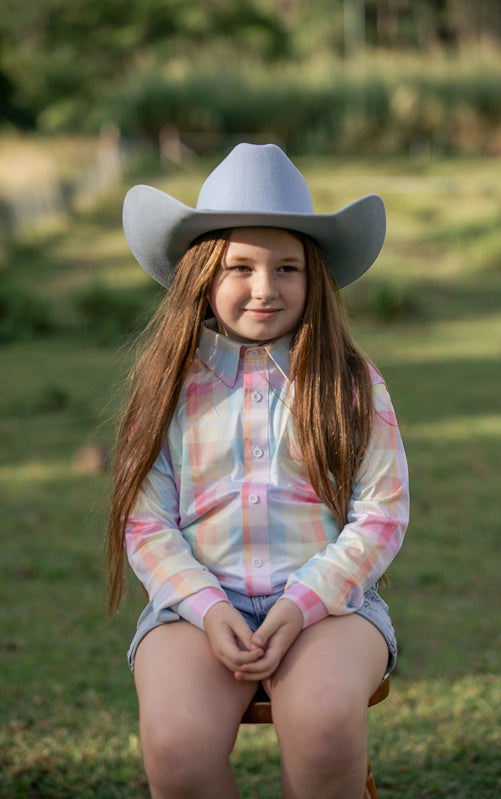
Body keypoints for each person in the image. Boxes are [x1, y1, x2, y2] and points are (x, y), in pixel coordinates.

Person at [106, 142, 409, 799]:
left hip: (328, 606)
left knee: (326, 722)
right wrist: (206, 606)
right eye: (239, 265)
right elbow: (145, 522)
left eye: (287, 267)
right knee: (176, 745)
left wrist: (302, 604)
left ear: (314, 277)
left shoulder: (350, 384)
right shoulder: (167, 388)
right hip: (194, 607)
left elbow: (379, 515)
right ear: (201, 274)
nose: (265, 287)